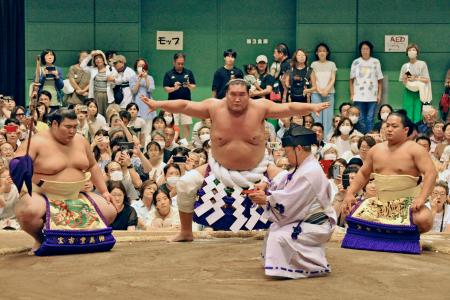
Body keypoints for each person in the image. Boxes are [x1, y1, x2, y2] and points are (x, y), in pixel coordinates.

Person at [140, 78, 330, 241]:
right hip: (217, 168)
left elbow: (288, 107)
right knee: (184, 184)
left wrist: (311, 107)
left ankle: (292, 229)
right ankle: (186, 232)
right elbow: (185, 105)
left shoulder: (261, 107)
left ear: (249, 94)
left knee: (292, 185)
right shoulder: (214, 107)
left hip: (259, 168)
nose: (237, 98)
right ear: (226, 94)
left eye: (242, 94)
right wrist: (157, 104)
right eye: (233, 94)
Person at [12, 109, 117, 255]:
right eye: (68, 127)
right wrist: (21, 164)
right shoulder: (36, 141)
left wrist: (104, 191)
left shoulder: (81, 140)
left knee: (110, 210)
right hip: (44, 194)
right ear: (54, 124)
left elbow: (92, 165)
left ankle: (75, 239)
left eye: (75, 126)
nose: (72, 131)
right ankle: (41, 239)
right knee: (28, 212)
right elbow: (16, 162)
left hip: (76, 193)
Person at [248, 125, 336, 279]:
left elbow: (290, 200)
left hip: (317, 223)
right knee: (274, 231)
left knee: (279, 236)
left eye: (288, 152)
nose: (286, 156)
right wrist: (266, 184)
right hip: (307, 218)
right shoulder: (304, 166)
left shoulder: (310, 171)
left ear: (299, 149)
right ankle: (287, 265)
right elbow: (286, 178)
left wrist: (266, 199)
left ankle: (315, 265)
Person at [342, 112, 436, 254]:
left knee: (424, 218)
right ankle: (383, 236)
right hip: (379, 203)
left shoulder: (415, 150)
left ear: (405, 130)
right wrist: (350, 192)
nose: (389, 129)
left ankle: (409, 236)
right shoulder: (376, 150)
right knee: (349, 210)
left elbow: (431, 173)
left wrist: (422, 198)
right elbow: (362, 174)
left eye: (394, 126)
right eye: (387, 125)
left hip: (406, 203)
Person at [349, 41, 383, 133]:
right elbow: (351, 80)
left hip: (372, 95)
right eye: (363, 49)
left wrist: (379, 94)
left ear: (370, 50)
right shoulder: (356, 62)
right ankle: (361, 137)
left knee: (370, 118)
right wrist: (352, 94)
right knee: (360, 118)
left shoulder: (376, 62)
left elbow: (380, 80)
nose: (365, 51)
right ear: (360, 50)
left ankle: (369, 136)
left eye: (367, 49)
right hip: (359, 95)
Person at [163, 53, 196, 140]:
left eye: (182, 63)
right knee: (174, 124)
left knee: (186, 124)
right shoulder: (169, 73)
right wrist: (174, 88)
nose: (180, 65)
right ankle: (174, 142)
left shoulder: (189, 72)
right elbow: (166, 89)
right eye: (178, 63)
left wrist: (188, 85)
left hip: (186, 103)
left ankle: (185, 143)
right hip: (173, 103)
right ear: (174, 62)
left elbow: (194, 87)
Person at [400, 44, 432, 123]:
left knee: (418, 113)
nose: (411, 52)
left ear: (417, 53)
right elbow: (403, 81)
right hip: (408, 91)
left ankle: (417, 132)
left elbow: (426, 79)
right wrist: (406, 80)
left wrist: (416, 78)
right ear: (407, 53)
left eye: (414, 50)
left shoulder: (422, 64)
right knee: (408, 112)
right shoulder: (405, 66)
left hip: (420, 93)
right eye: (409, 50)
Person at [311, 43, 337, 137]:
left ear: (327, 52)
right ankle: (315, 139)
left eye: (324, 51)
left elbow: (333, 79)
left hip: (329, 94)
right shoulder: (314, 64)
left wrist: (326, 90)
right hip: (316, 94)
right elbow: (313, 79)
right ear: (316, 53)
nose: (322, 52)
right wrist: (319, 90)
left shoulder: (332, 64)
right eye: (320, 51)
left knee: (328, 118)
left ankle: (326, 140)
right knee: (316, 118)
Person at [80, 50, 117, 117]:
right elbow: (82, 66)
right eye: (96, 58)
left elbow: (115, 84)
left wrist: (113, 80)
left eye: (100, 58)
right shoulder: (93, 69)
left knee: (109, 115)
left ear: (104, 59)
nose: (98, 60)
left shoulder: (111, 69)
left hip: (107, 96)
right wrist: (90, 55)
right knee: (97, 115)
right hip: (96, 95)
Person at [130, 58, 156, 122]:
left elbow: (150, 90)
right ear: (136, 67)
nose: (141, 67)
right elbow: (134, 91)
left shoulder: (150, 78)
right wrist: (139, 79)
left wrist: (146, 77)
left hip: (148, 102)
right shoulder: (132, 78)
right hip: (137, 102)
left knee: (148, 124)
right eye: (139, 66)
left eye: (143, 65)